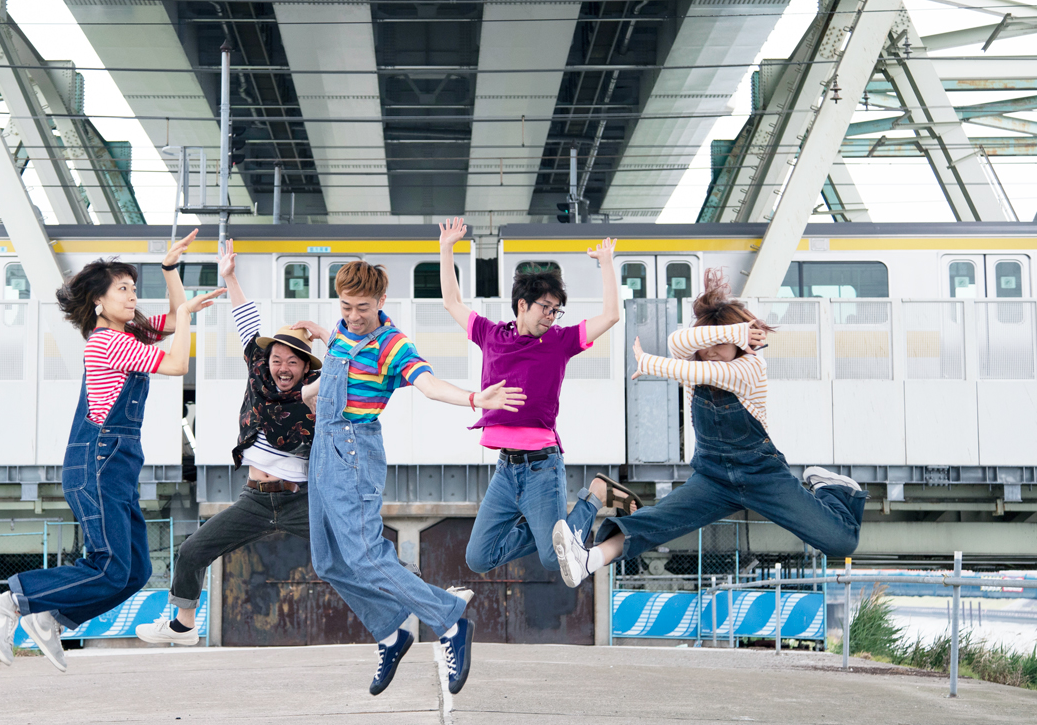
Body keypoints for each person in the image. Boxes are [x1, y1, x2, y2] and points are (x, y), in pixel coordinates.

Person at [0, 231, 225, 670]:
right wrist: (185, 315)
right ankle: (9, 602)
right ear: (98, 301)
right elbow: (177, 363)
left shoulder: (128, 335)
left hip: (117, 464)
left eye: (133, 288)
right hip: (98, 462)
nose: (132, 297)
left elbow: (169, 318)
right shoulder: (111, 342)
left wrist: (170, 272)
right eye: (123, 290)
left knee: (134, 572)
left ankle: (54, 615)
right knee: (110, 565)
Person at [552, 269, 867, 588]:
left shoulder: (750, 368)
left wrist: (648, 363)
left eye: (724, 342)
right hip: (713, 477)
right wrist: (737, 330)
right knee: (654, 522)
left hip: (762, 475)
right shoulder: (695, 365)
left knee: (841, 543)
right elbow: (678, 341)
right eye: (708, 342)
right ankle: (587, 560)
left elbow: (695, 366)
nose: (713, 351)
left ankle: (830, 488)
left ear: (740, 345)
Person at [303, 260, 524, 697]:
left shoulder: (393, 345)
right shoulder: (342, 330)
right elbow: (337, 360)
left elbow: (428, 384)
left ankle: (450, 620)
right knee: (327, 559)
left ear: (382, 302)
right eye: (345, 306)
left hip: (353, 452)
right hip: (321, 450)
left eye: (362, 307)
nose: (352, 316)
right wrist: (310, 382)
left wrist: (475, 398)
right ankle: (390, 632)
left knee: (365, 554)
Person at [137, 239, 329, 646]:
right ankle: (183, 626)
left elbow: (350, 370)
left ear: (305, 367)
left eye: (293, 362)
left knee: (360, 545)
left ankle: (426, 594)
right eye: (277, 360)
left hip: (299, 501)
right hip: (255, 501)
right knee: (192, 551)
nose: (283, 368)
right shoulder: (261, 374)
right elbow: (247, 321)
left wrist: (327, 335)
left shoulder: (317, 387)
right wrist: (229, 277)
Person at [433, 219, 638, 578]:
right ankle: (546, 530)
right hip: (505, 469)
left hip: (542, 467)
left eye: (557, 309)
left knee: (551, 560)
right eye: (546, 307)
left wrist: (606, 261)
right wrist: (446, 247)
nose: (551, 315)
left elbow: (611, 315)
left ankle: (596, 494)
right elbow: (451, 301)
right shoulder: (490, 334)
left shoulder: (559, 341)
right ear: (522, 305)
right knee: (479, 558)